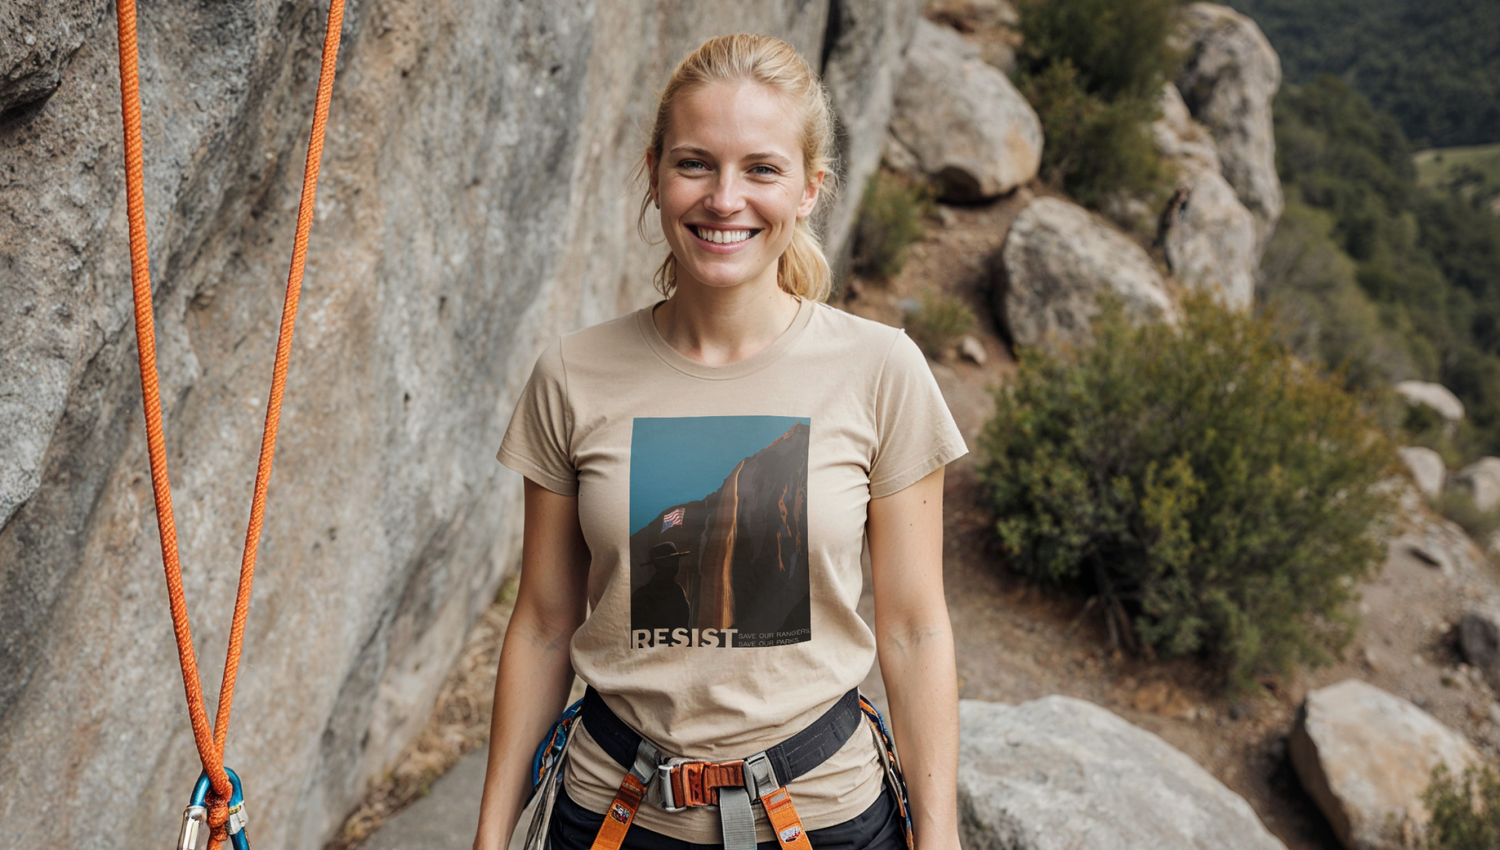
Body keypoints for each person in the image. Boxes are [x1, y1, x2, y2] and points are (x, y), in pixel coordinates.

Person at [473, 33, 966, 850]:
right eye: (696, 163)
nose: (724, 198)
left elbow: (916, 629)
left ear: (810, 190)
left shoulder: (882, 370)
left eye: (761, 169)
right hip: (612, 814)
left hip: (824, 818)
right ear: (656, 172)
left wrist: (939, 837)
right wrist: (492, 834)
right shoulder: (572, 374)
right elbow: (542, 624)